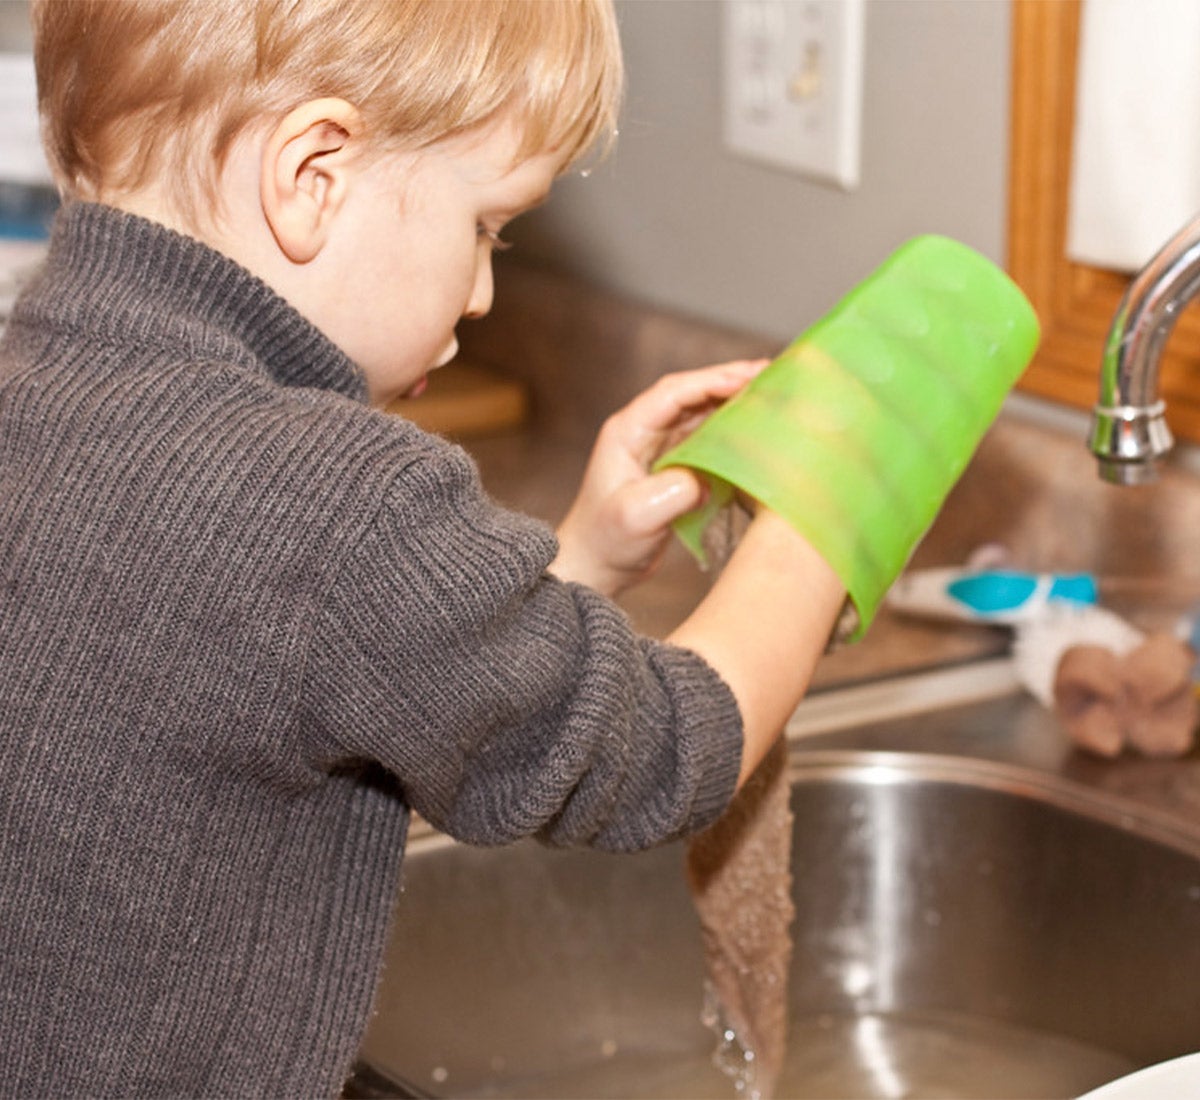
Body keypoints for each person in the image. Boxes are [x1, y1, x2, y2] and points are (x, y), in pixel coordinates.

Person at [0, 0, 844, 1096]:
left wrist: (576, 557)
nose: (486, 290)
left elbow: (331, 666)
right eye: (489, 225)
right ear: (314, 174)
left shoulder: (39, 385)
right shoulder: (342, 500)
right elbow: (665, 754)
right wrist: (816, 528)